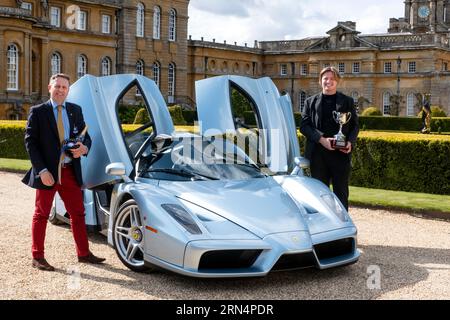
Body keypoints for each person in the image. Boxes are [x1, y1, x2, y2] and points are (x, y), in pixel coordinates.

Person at [22, 73, 105, 271]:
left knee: (78, 213)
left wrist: (84, 148)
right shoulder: (38, 111)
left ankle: (83, 254)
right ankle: (37, 257)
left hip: (69, 171)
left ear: (68, 90)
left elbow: (86, 137)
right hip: (48, 173)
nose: (60, 90)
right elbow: (30, 143)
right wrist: (41, 170)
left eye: (64, 87)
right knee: (41, 214)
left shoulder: (75, 110)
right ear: (50, 87)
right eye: (57, 86)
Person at [300, 66, 359, 211]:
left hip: (341, 154)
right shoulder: (310, 102)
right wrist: (322, 140)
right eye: (325, 78)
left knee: (341, 193)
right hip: (318, 154)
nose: (329, 81)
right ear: (320, 81)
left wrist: (350, 142)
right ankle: (323, 224)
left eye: (332, 79)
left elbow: (355, 126)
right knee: (319, 194)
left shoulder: (347, 101)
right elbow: (304, 126)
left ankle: (343, 226)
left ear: (337, 81)